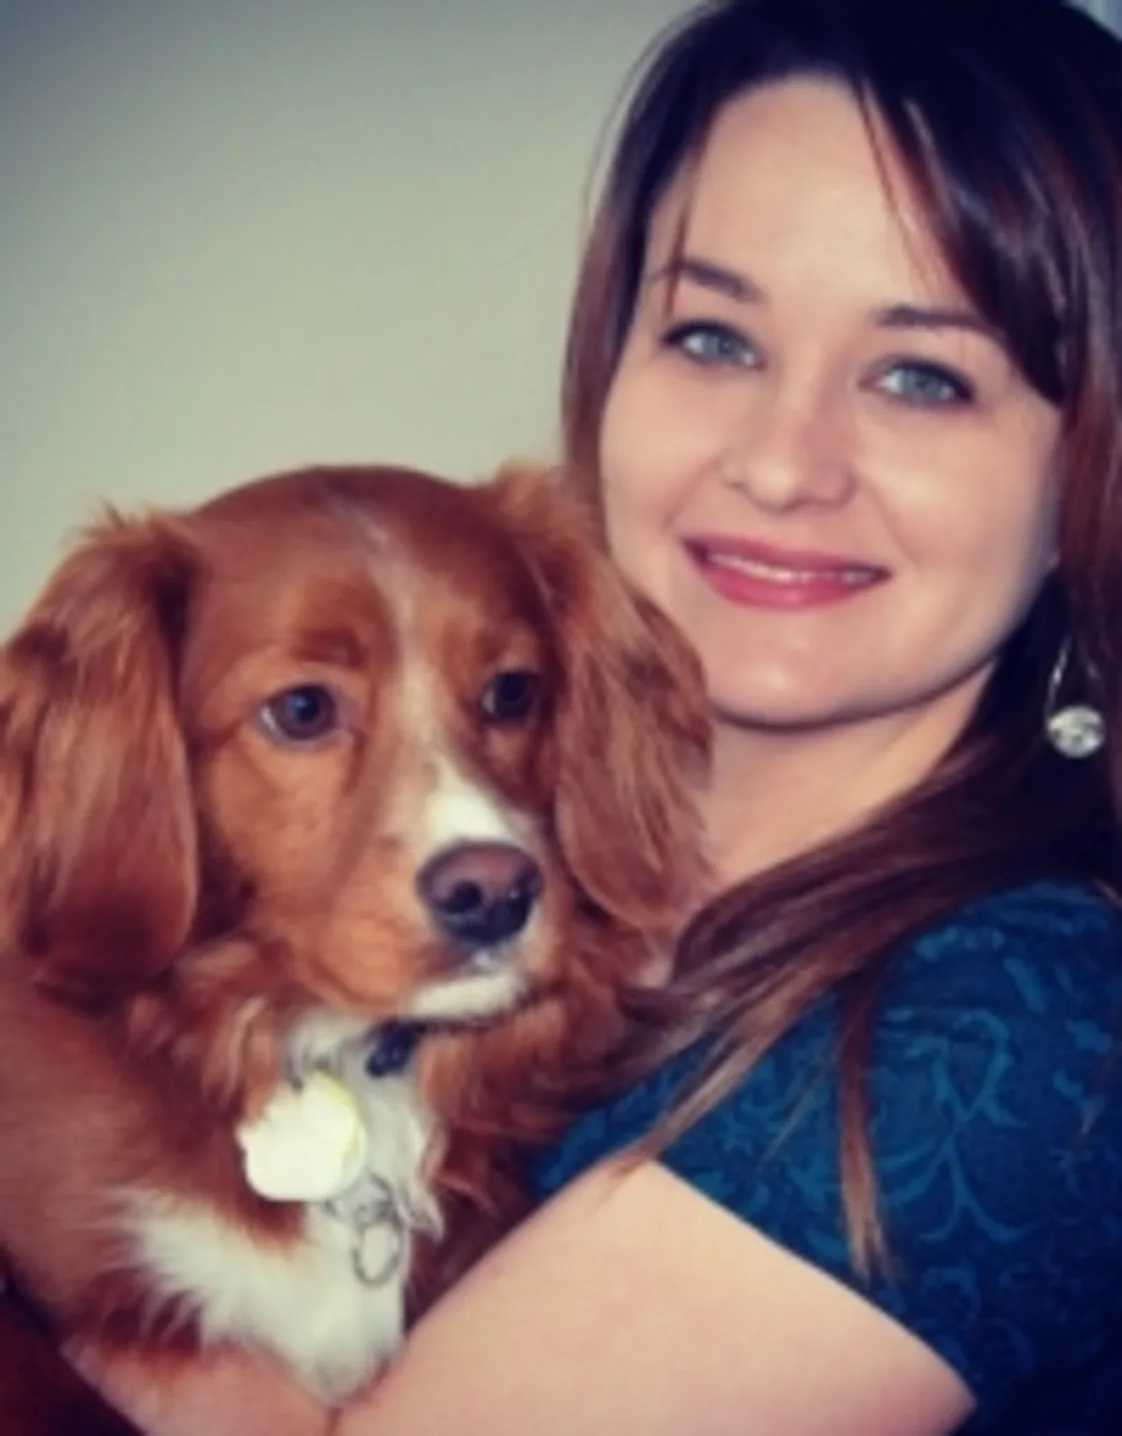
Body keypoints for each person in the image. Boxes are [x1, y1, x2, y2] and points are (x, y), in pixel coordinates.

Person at [83, 0, 1122, 1431]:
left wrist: (150, 1357)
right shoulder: (521, 883)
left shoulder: (1031, 1033)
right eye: (712, 338)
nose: (778, 462)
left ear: (1087, 471)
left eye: (918, 375)